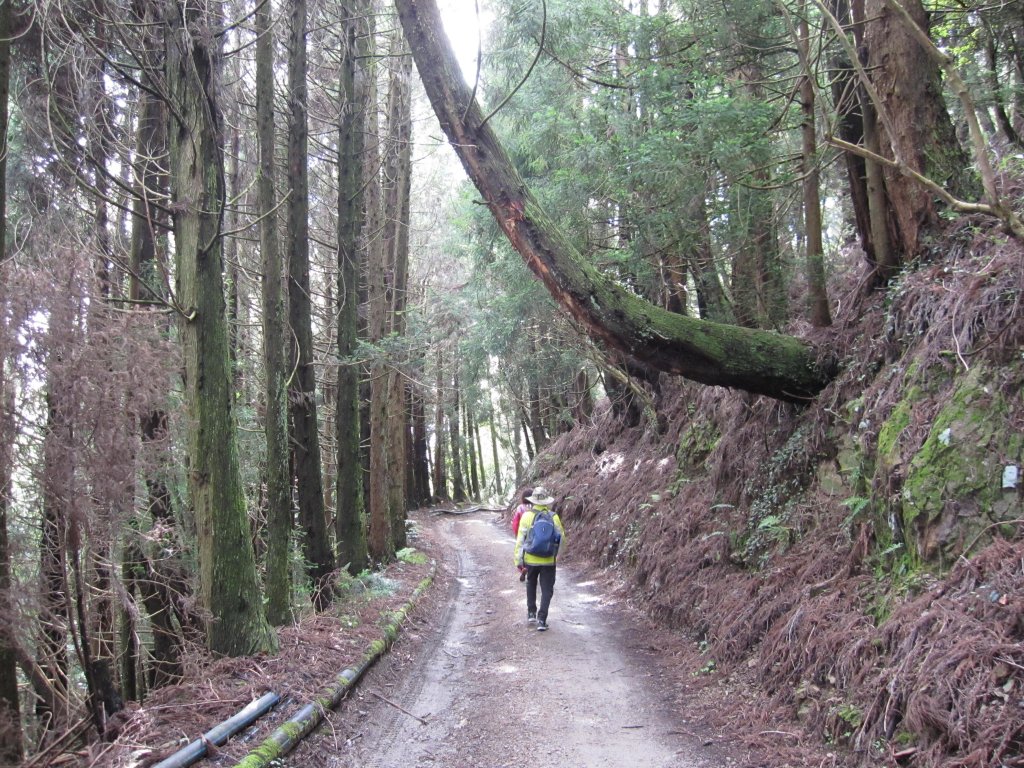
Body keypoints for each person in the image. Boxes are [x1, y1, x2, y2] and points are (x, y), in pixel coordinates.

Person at [513, 486, 565, 631]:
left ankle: (531, 613)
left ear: (533, 501)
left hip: (530, 559)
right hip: (548, 560)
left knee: (531, 584)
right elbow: (562, 538)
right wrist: (557, 555)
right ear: (547, 501)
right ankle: (542, 620)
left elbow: (520, 541)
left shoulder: (527, 516)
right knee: (547, 589)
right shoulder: (553, 517)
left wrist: (518, 560)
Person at [511, 489, 532, 581]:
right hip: (532, 534)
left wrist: (516, 533)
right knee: (531, 552)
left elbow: (515, 522)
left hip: (522, 533)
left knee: (522, 553)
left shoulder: (520, 508)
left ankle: (522, 568)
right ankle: (531, 567)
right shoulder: (534, 507)